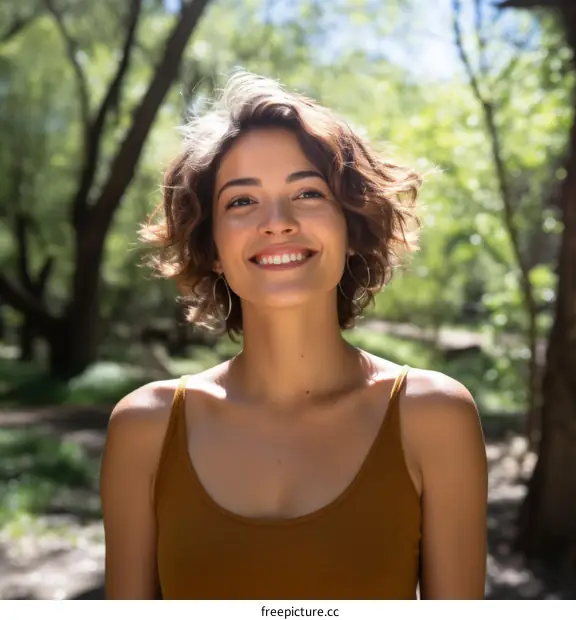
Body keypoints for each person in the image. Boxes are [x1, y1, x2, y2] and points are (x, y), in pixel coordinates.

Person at [100, 71, 488, 600]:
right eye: (241, 201)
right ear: (212, 247)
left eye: (307, 192)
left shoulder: (434, 417)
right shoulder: (143, 429)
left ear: (350, 226)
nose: (277, 222)